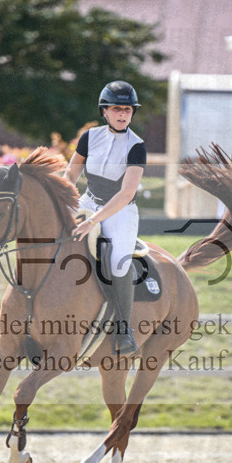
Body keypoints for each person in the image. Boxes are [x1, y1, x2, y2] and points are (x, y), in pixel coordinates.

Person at [67, 81, 146, 356]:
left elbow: (126, 193)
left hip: (120, 210)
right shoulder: (90, 137)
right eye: (117, 109)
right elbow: (70, 176)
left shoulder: (137, 146)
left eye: (127, 109)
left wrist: (92, 221)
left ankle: (124, 329)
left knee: (119, 263)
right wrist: (65, 204)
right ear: (105, 111)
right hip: (88, 199)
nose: (123, 114)